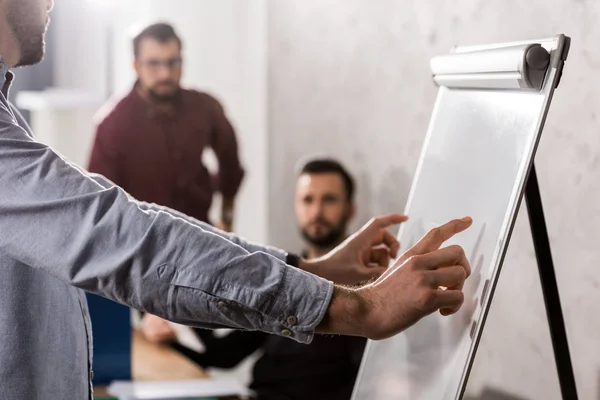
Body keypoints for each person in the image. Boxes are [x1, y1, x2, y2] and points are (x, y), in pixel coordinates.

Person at [0, 1, 473, 399]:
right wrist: (359, 308)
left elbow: (146, 217)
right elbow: (120, 232)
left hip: (182, 263)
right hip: (150, 274)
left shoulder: (201, 108)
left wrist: (309, 270)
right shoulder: (111, 124)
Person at [143, 159, 367, 400]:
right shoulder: (284, 277)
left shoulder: (364, 290)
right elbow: (225, 355)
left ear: (350, 209)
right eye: (307, 200)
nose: (316, 212)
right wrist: (169, 336)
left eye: (329, 199)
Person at [88, 22, 243, 231]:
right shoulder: (112, 123)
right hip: (146, 247)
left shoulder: (205, 108)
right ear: (136, 66)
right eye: (154, 64)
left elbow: (231, 163)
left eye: (173, 62)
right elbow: (101, 202)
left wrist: (227, 218)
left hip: (203, 239)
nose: (165, 74)